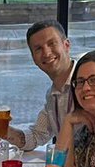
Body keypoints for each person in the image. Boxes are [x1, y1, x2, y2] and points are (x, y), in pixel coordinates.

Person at [5, 20, 74, 151]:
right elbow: (37, 135)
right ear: (34, 58)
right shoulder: (53, 95)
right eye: (38, 49)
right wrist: (5, 131)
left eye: (52, 44)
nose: (46, 53)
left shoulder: (87, 83)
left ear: (66, 45)